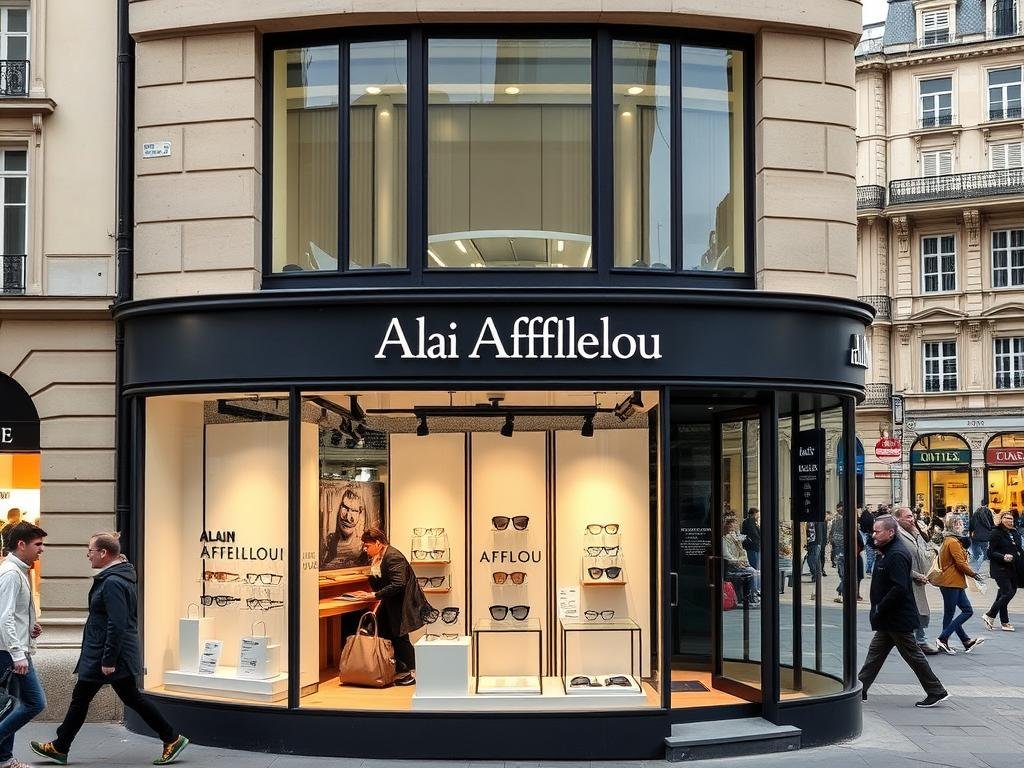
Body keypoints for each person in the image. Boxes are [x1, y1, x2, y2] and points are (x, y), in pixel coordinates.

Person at [30, 533, 188, 766]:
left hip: (107, 655)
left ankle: (60, 747)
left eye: (90, 551)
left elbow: (117, 623)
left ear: (104, 553)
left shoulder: (113, 582)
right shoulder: (116, 576)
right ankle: (171, 737)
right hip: (105, 652)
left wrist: (108, 660)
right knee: (120, 698)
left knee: (86, 698)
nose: (88, 555)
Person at [858, 515, 949, 708]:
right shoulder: (888, 550)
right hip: (889, 617)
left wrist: (881, 606)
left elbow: (899, 587)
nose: (873, 535)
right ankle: (860, 689)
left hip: (897, 617)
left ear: (890, 533)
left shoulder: (896, 554)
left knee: (913, 655)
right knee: (875, 653)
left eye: (877, 531)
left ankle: (936, 690)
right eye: (873, 531)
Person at [349, 527, 431, 686]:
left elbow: (398, 583)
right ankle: (396, 668)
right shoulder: (381, 556)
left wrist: (374, 595)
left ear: (378, 543)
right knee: (385, 634)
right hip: (390, 604)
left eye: (367, 545)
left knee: (400, 638)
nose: (365, 549)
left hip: (400, 605)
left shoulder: (393, 556)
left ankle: (414, 673)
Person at [0, 522, 47, 768]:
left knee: (11, 707)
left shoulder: (18, 571)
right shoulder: (11, 573)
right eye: (38, 544)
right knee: (34, 703)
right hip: (11, 653)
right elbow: (4, 617)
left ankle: (5, 759)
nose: (41, 549)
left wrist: (29, 627)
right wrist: (18, 654)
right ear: (21, 544)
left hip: (14, 650)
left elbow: (12, 616)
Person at [932, 518, 986, 655]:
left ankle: (965, 641)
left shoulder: (951, 540)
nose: (962, 526)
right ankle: (943, 639)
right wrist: (974, 575)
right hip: (951, 582)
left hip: (954, 582)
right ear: (954, 526)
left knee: (964, 610)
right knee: (955, 613)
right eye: (960, 524)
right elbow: (960, 563)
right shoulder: (953, 542)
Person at [894, 506, 938, 655]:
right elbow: (896, 562)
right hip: (906, 581)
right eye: (908, 517)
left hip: (917, 580)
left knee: (918, 611)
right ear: (897, 518)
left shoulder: (912, 532)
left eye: (912, 516)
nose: (912, 519)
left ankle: (917, 641)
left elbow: (922, 552)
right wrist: (915, 575)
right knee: (913, 612)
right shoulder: (896, 534)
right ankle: (917, 642)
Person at [982, 511, 1024, 632]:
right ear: (1001, 519)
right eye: (1006, 518)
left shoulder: (1015, 532)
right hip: (999, 568)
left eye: (1011, 519)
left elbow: (1019, 549)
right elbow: (990, 552)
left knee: (1006, 593)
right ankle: (990, 614)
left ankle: (1004, 622)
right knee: (1008, 592)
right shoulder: (995, 532)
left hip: (1013, 567)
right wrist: (1003, 556)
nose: (1010, 520)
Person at [723, 519, 760, 605]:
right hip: (731, 566)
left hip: (739, 563)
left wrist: (739, 545)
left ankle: (753, 593)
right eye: (733, 525)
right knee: (753, 572)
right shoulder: (724, 540)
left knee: (756, 572)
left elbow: (742, 553)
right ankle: (752, 595)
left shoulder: (735, 539)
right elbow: (726, 556)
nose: (735, 527)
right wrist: (738, 561)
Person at [968, 503, 995, 573]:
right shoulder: (988, 512)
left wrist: (970, 533)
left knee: (976, 555)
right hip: (986, 537)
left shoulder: (975, 514)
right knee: (985, 555)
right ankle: (985, 571)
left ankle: (974, 570)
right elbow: (992, 524)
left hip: (976, 537)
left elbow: (971, 525)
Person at [859, 504, 877, 575]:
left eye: (872, 507)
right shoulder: (868, 515)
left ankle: (869, 569)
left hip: (867, 533)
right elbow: (868, 524)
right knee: (870, 553)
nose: (871, 508)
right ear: (867, 508)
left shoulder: (867, 514)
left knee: (869, 553)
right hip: (868, 534)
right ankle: (868, 570)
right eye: (870, 507)